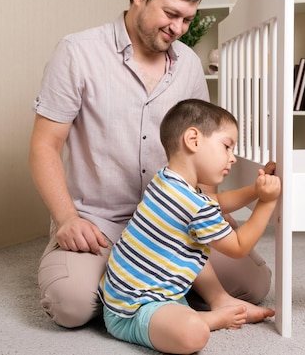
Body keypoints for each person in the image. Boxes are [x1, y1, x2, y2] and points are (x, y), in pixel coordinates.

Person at [29, 0, 273, 329]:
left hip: (175, 220)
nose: (178, 28)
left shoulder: (189, 64)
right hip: (99, 224)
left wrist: (210, 206)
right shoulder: (77, 53)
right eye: (171, 14)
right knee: (70, 305)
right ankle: (156, 290)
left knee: (254, 284)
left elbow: (202, 146)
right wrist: (66, 220)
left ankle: (157, 287)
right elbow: (44, 146)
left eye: (187, 19)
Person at [100, 99, 281, 353]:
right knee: (193, 334)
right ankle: (214, 316)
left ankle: (218, 303)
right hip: (133, 310)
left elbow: (216, 201)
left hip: (124, 293)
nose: (233, 158)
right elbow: (239, 247)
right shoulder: (192, 205)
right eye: (227, 146)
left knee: (193, 245)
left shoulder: (166, 180)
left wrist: (255, 189)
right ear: (193, 140)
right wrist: (267, 201)